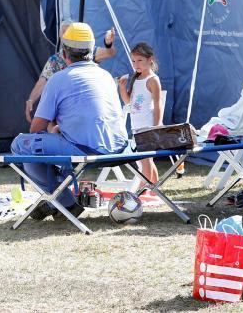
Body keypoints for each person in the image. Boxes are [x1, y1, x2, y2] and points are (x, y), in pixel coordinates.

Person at [11, 22, 128, 220]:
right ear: (92, 51)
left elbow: (36, 128)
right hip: (119, 148)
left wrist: (54, 131)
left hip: (86, 149)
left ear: (64, 53)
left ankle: (62, 201)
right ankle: (56, 200)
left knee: (21, 144)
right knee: (57, 147)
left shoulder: (59, 78)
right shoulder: (106, 76)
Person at [25, 21, 117, 123]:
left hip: (86, 103)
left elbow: (109, 53)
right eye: (63, 32)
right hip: (66, 107)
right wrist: (31, 100)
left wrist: (108, 44)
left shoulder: (87, 51)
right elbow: (43, 81)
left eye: (68, 31)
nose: (65, 34)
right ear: (60, 35)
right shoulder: (55, 60)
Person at [118, 42, 163, 185]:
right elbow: (129, 103)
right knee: (146, 159)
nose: (136, 64)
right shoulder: (136, 78)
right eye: (133, 61)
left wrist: (157, 125)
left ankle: (144, 187)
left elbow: (158, 104)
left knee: (145, 159)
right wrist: (122, 88)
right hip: (136, 125)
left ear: (150, 60)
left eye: (139, 60)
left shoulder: (152, 80)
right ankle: (154, 188)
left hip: (147, 125)